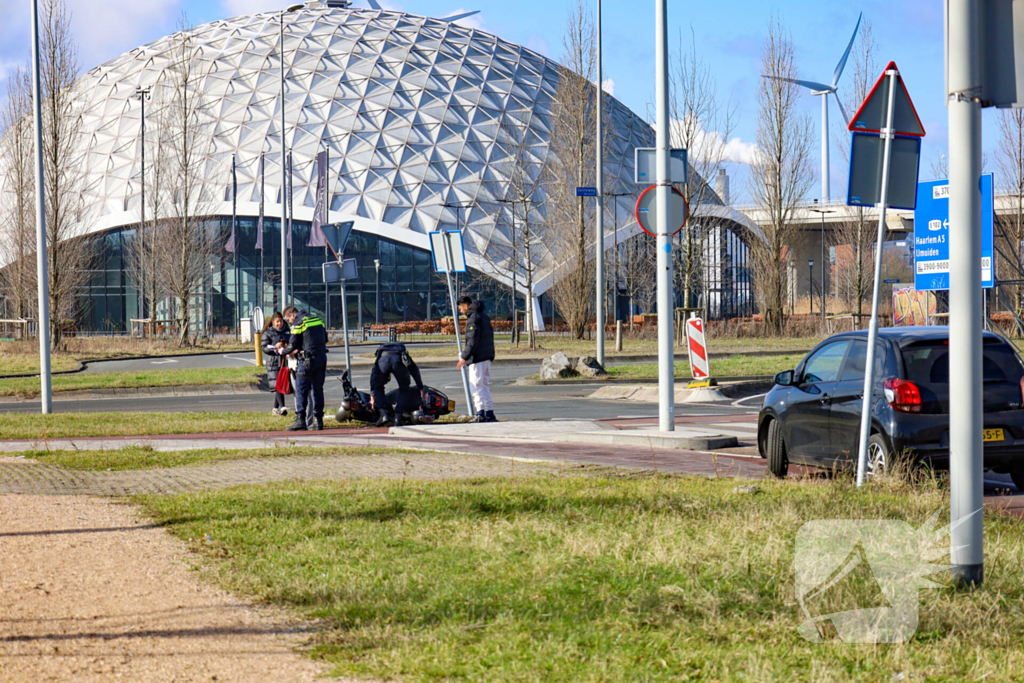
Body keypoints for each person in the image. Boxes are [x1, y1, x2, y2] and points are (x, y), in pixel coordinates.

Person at [280, 305, 328, 431]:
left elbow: (292, 346)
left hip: (306, 360)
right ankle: (319, 420)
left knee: (301, 389)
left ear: (292, 315)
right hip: (321, 358)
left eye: (289, 320)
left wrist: (282, 351)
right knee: (318, 389)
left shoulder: (298, 323)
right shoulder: (317, 319)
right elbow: (325, 339)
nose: (290, 323)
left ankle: (300, 420)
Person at [456, 295, 496, 422]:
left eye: (460, 308)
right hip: (486, 357)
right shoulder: (484, 316)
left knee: (475, 385)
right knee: (484, 385)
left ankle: (480, 413)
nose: (460, 311)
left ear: (465, 305)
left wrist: (464, 357)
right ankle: (489, 413)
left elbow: (472, 341)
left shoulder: (473, 318)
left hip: (477, 357)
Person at [369, 342, 425, 427]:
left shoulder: (380, 354)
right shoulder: (402, 352)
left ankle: (383, 414)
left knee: (378, 386)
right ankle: (398, 417)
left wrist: (372, 395)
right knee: (404, 388)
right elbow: (414, 369)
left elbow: (374, 375)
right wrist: (420, 386)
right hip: (398, 360)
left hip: (383, 362)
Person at [261, 311, 290, 416]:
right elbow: (264, 347)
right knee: (278, 384)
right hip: (273, 362)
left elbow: (292, 342)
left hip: (284, 361)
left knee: (281, 384)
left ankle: (275, 409)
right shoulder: (268, 333)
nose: (279, 324)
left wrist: (286, 346)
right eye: (277, 322)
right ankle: (282, 407)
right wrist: (274, 347)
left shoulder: (287, 331)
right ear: (273, 322)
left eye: (281, 321)